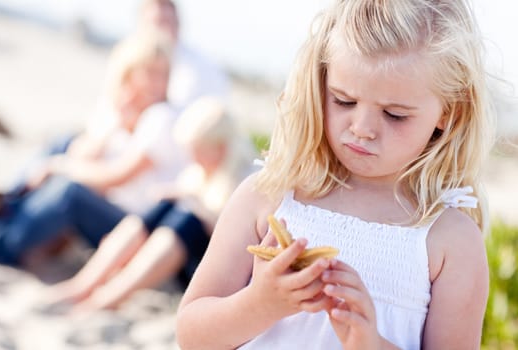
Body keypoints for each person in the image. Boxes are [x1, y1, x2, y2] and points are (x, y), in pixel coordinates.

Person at [175, 0, 495, 349]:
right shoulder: (268, 196)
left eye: (394, 114)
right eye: (343, 100)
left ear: (450, 112)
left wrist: (371, 343)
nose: (363, 128)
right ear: (320, 83)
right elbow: (192, 335)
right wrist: (259, 305)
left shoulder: (449, 238)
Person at [44, 97, 257, 311]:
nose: (193, 158)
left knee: (188, 219)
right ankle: (84, 285)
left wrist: (198, 207)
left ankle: (106, 299)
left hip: (209, 269)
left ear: (219, 148)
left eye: (198, 151)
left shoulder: (244, 179)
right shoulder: (202, 172)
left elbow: (235, 244)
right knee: (166, 207)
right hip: (177, 256)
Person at [0, 32, 189, 266]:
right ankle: (7, 205)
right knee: (63, 143)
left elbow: (117, 177)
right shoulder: (121, 109)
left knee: (70, 190)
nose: (156, 83)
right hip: (108, 206)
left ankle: (3, 242)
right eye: (149, 72)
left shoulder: (162, 118)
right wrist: (114, 125)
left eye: (163, 74)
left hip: (134, 225)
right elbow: (80, 155)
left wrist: (58, 167)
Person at [137, 0, 230, 111]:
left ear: (177, 24)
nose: (161, 31)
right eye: (156, 24)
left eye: (166, 22)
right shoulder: (133, 63)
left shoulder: (197, 70)